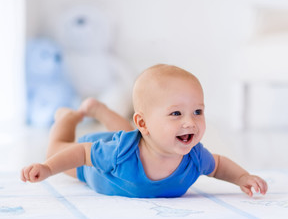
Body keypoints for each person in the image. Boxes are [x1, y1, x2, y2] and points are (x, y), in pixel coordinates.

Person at [21, 64, 268, 198]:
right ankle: (67, 117)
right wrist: (48, 168)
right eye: (176, 113)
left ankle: (100, 110)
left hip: (135, 141)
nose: (190, 122)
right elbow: (81, 153)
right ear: (145, 123)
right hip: (95, 165)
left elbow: (218, 165)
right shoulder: (117, 152)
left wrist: (242, 178)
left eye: (197, 112)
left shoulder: (194, 156)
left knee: (132, 136)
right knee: (56, 148)